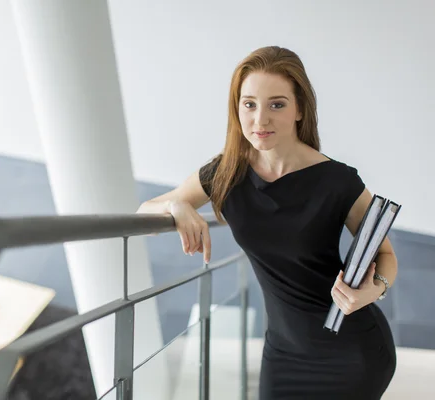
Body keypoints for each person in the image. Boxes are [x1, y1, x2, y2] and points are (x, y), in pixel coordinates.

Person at [137, 46, 397, 399]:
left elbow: (385, 254)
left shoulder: (338, 181)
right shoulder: (226, 172)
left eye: (277, 104)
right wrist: (177, 204)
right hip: (283, 352)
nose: (260, 120)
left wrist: (374, 289)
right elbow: (144, 214)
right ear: (237, 107)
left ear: (300, 109)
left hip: (351, 351)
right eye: (249, 104)